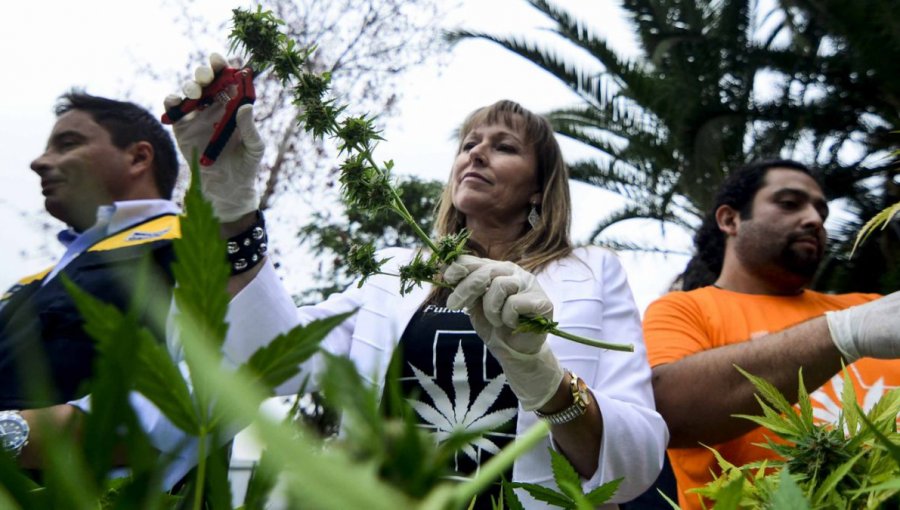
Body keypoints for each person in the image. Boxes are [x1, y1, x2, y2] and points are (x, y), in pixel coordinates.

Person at [208, 87, 668, 505]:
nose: (477, 154)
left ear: (537, 188)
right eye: (469, 145)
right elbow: (274, 358)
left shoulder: (591, 272)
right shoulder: (392, 272)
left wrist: (547, 381)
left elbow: (636, 462)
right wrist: (234, 216)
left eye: (503, 147)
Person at [0, 89, 267, 489]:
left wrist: (14, 434)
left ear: (139, 157)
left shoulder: (193, 250)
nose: (39, 162)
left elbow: (221, 384)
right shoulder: (28, 285)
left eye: (68, 143)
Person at [642, 159, 900, 510]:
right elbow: (669, 412)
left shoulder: (873, 307)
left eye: (821, 212)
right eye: (789, 203)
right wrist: (843, 334)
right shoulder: (684, 310)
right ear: (730, 220)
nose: (814, 219)